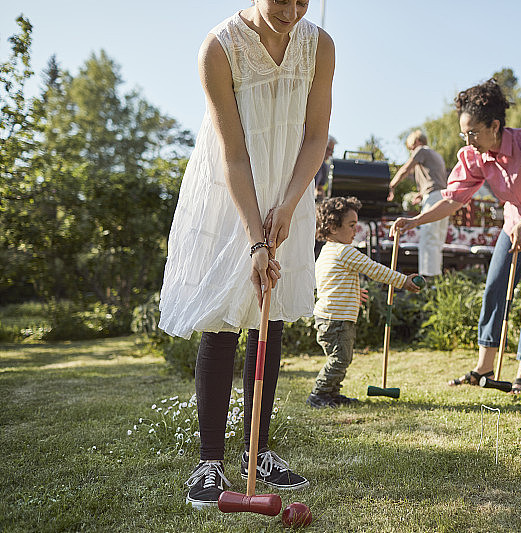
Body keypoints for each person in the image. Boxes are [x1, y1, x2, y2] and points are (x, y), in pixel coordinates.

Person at [158, 0, 335, 509]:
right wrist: (255, 238)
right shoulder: (218, 48)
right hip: (230, 194)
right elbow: (234, 155)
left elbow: (315, 137)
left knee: (268, 316)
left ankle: (256, 452)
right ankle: (209, 461)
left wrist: (289, 204)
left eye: (303, 0)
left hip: (289, 189)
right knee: (223, 320)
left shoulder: (320, 46)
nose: (293, 11)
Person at [392, 79, 521, 395]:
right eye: (464, 134)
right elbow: (453, 200)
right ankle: (483, 368)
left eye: (473, 132)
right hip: (515, 221)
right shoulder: (474, 156)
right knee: (495, 286)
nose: (468, 140)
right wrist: (415, 221)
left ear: (495, 126)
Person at [308, 196, 422, 408]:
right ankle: (319, 394)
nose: (355, 230)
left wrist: (351, 292)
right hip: (336, 320)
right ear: (332, 227)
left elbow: (329, 281)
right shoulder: (344, 251)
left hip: (330, 317)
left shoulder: (327, 250)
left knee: (341, 357)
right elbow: (374, 269)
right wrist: (402, 281)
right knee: (340, 359)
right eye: (351, 225)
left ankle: (332, 393)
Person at [388, 130, 449, 276]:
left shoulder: (421, 150)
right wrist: (421, 195)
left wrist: (391, 186)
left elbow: (406, 168)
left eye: (411, 148)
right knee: (437, 240)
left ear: (416, 142)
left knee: (428, 238)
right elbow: (436, 181)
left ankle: (427, 278)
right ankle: (436, 278)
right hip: (443, 199)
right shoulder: (436, 155)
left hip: (433, 199)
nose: (411, 152)